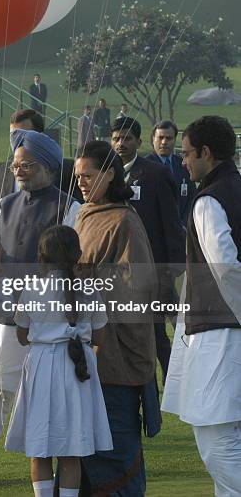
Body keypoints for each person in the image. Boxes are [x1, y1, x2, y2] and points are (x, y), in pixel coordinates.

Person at [0, 130, 81, 483]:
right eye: (15, 165)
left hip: (50, 324)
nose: (19, 170)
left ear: (48, 167)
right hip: (7, 318)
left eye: (27, 164)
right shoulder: (4, 205)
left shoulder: (69, 207)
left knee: (43, 393)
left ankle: (56, 462)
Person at [0, 225, 113, 497]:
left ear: (41, 257)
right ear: (77, 255)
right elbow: (100, 336)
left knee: (40, 449)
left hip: (43, 366)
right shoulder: (89, 289)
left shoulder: (32, 289)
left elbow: (23, 335)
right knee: (71, 450)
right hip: (77, 367)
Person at [74, 141, 159, 496]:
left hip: (115, 358)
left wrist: (85, 283)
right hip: (87, 353)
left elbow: (139, 286)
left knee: (115, 456)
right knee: (82, 457)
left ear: (109, 174)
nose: (80, 182)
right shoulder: (84, 213)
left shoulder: (124, 220)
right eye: (77, 176)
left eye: (88, 175)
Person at [162, 116, 241, 497]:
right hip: (223, 329)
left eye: (187, 153)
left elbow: (226, 269)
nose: (184, 162)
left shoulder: (209, 201)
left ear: (206, 153)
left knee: (216, 443)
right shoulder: (237, 187)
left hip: (221, 332)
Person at [111, 117, 186, 384]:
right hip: (118, 273)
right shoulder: (105, 174)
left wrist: (172, 267)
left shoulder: (155, 173)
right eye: (117, 138)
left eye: (127, 138)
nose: (121, 143)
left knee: (158, 329)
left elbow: (171, 222)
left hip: (154, 268)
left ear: (139, 142)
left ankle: (175, 378)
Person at [0, 109, 82, 205]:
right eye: (13, 136)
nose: (16, 141)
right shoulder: (1, 173)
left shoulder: (67, 171)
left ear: (40, 136)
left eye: (24, 135)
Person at [146, 120, 196, 226]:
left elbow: (191, 196)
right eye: (160, 138)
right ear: (153, 139)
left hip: (183, 229)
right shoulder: (144, 167)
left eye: (168, 138)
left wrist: (183, 224)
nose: (164, 142)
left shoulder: (183, 164)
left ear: (174, 140)